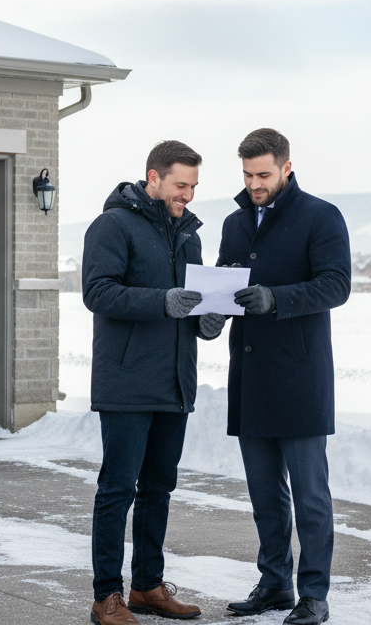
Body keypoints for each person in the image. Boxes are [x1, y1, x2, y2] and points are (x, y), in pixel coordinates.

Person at [83, 141, 226, 625]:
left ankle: (146, 586)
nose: (187, 195)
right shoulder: (112, 225)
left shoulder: (190, 235)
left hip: (174, 382)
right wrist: (163, 301)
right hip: (125, 381)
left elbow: (194, 303)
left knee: (159, 488)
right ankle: (107, 597)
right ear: (154, 178)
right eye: (180, 185)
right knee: (117, 490)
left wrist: (211, 317)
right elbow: (98, 292)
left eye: (193, 187)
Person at [217, 129, 351, 625]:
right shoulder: (234, 223)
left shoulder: (320, 216)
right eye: (248, 175)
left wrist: (277, 299)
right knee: (264, 494)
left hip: (301, 376)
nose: (255, 184)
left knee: (310, 495)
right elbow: (224, 283)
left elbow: (337, 285)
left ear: (287, 167)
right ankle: (275, 582)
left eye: (264, 175)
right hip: (250, 375)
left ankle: (313, 594)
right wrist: (211, 315)